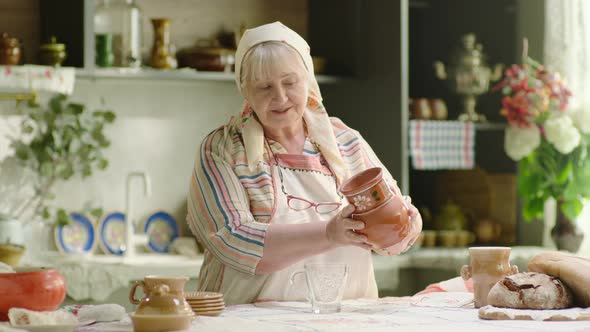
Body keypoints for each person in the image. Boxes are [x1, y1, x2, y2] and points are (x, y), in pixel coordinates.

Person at [187, 21, 422, 305]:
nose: (280, 97)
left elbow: (387, 221)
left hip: (344, 319)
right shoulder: (221, 150)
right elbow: (233, 240)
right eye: (264, 87)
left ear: (308, 80)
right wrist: (328, 233)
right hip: (251, 322)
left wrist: (407, 226)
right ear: (245, 91)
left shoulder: (345, 141)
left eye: (290, 82)